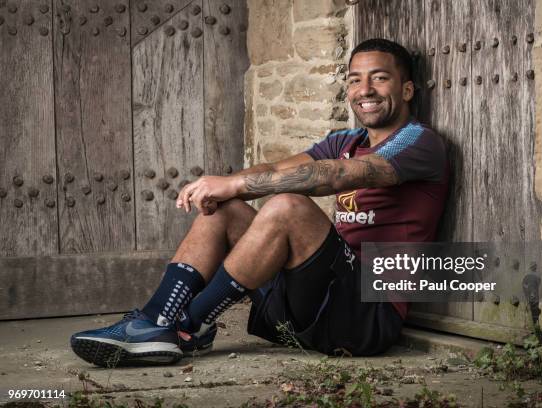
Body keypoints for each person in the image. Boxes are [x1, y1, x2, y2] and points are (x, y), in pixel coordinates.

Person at [70, 38, 449, 367]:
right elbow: (275, 168)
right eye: (354, 79)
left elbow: (337, 176)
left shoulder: (418, 142)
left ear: (407, 90)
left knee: (288, 206)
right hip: (312, 304)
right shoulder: (344, 141)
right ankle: (155, 320)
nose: (364, 89)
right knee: (227, 208)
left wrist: (233, 183)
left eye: (379, 78)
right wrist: (227, 187)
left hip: (368, 315)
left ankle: (185, 326)